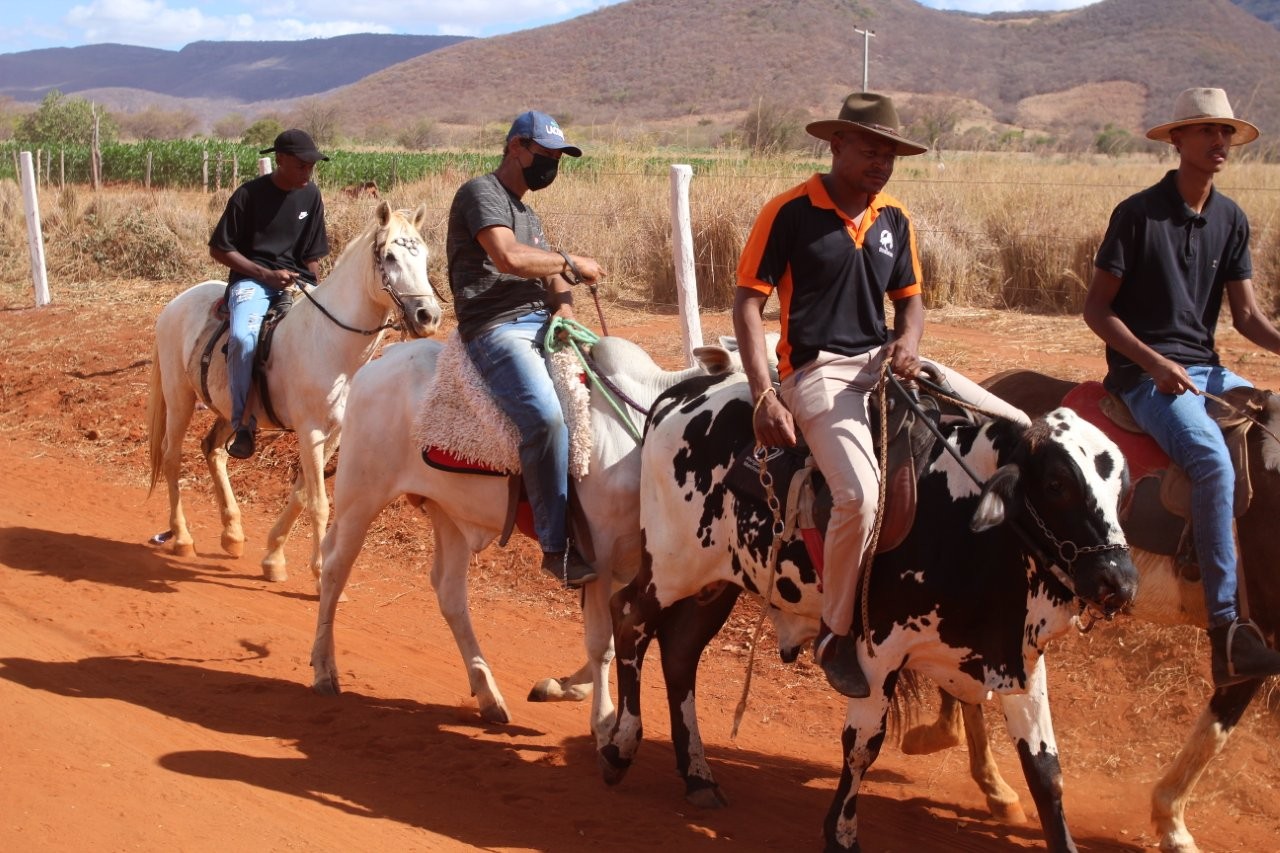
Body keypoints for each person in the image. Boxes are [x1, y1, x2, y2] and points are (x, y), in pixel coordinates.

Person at [733, 92, 1030, 698]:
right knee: (859, 497)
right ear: (836, 144)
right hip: (817, 372)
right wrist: (765, 394)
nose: (881, 163)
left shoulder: (894, 217)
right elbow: (747, 302)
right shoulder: (789, 212)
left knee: (1018, 426)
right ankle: (836, 632)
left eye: (890, 155)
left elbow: (910, 302)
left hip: (886, 365)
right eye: (870, 150)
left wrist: (909, 343)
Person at [1084, 87, 1280, 687]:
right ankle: (1227, 631)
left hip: (1208, 369)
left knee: (1275, 427)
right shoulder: (1137, 214)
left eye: (1226, 133)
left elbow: (1246, 318)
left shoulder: (1231, 218)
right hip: (1144, 376)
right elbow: (1097, 311)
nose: (1220, 142)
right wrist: (1154, 364)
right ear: (1177, 140)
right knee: (1212, 463)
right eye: (1206, 131)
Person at [446, 110, 604, 588]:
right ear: (516, 147)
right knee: (546, 419)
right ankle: (557, 547)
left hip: (540, 320)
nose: (552, 165)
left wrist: (565, 308)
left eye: (558, 158)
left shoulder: (528, 214)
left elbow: (550, 271)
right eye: (546, 154)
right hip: (495, 326)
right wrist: (572, 261)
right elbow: (509, 258)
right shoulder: (481, 194)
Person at [208, 128, 330, 460]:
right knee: (243, 339)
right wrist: (264, 274)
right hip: (253, 282)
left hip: (298, 281)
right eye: (301, 165)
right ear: (281, 160)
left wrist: (315, 288)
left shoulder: (311, 196)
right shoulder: (248, 195)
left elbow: (312, 254)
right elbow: (219, 248)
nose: (308, 172)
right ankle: (243, 424)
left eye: (311, 166)